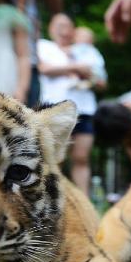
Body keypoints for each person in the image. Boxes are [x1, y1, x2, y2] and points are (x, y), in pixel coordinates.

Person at [38, 13, 105, 193]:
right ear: (51, 29)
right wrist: (75, 68)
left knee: (81, 157)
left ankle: (84, 201)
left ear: (73, 31)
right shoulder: (44, 46)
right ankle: (52, 199)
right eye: (59, 26)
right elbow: (44, 68)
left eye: (67, 26)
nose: (63, 30)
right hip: (54, 109)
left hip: (84, 110)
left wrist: (88, 74)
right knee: (53, 158)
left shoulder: (87, 51)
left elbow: (101, 83)